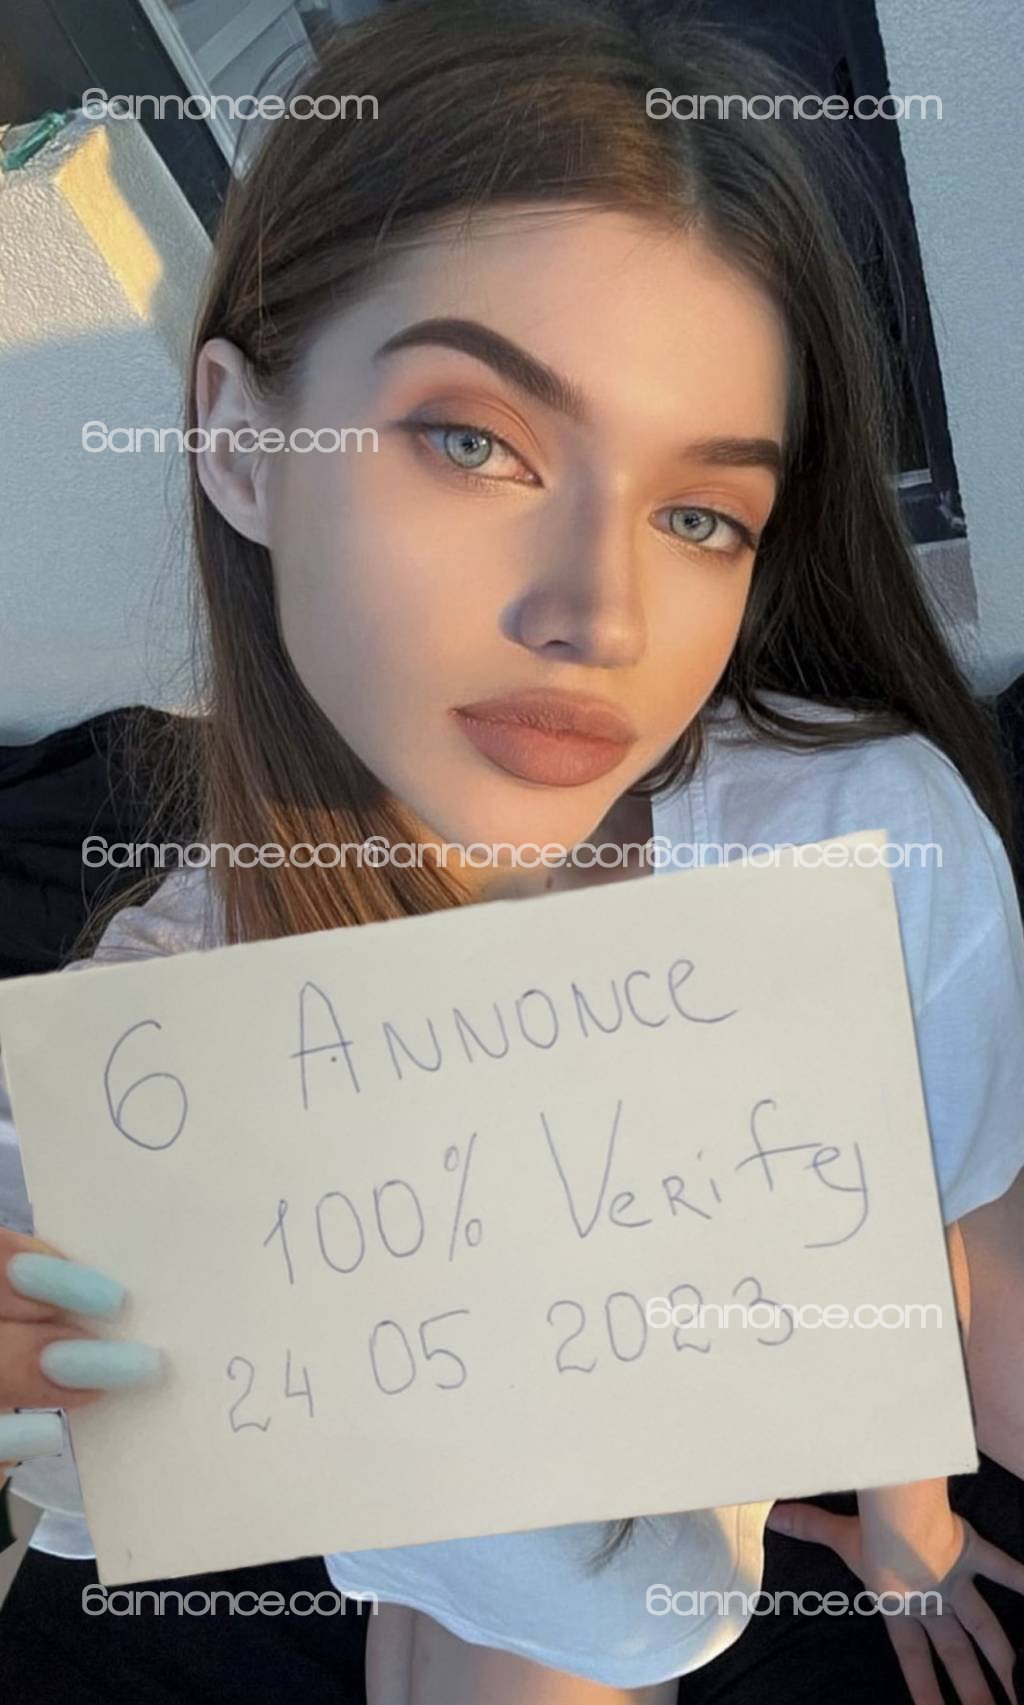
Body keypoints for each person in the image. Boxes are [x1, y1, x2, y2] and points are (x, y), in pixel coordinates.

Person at [1, 0, 1023, 1699]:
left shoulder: (865, 849)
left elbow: (958, 1224)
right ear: (243, 444)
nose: (600, 614)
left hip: (668, 1530)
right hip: (451, 1538)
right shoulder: (157, 1050)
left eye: (700, 513)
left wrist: (911, 1513)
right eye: (473, 440)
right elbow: (97, 1427)